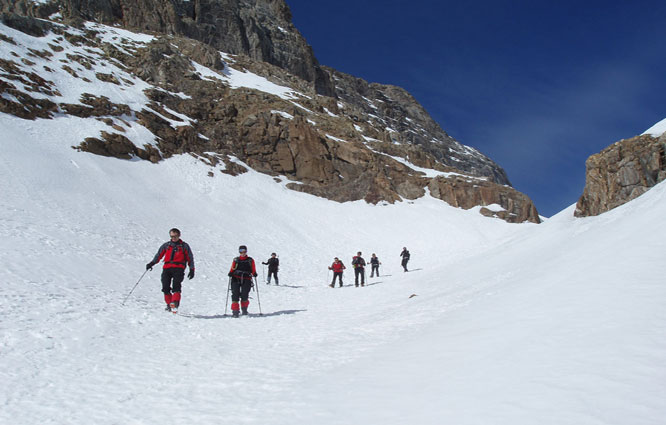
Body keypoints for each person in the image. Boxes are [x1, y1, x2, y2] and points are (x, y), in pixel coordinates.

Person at [146, 228, 195, 312]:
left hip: (179, 268)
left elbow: (190, 258)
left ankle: (174, 304)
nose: (173, 238)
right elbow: (159, 255)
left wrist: (192, 269)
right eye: (172, 236)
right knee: (165, 287)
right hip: (167, 268)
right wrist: (151, 263)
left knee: (176, 286)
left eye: (175, 236)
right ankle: (170, 305)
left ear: (179, 235)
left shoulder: (184, 246)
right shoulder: (167, 245)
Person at [228, 245, 257, 317]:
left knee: (245, 294)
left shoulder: (250, 260)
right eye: (241, 251)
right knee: (235, 294)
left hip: (246, 278)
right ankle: (235, 311)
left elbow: (253, 268)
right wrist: (230, 272)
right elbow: (233, 267)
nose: (243, 253)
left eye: (244, 251)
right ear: (239, 252)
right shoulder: (236, 260)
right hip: (235, 278)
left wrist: (254, 273)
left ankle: (244, 309)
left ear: (246, 251)